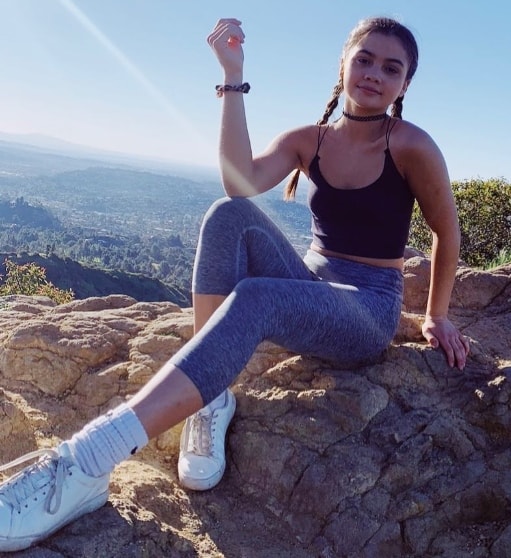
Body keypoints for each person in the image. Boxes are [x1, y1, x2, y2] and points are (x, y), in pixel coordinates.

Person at [0, 16, 470, 552]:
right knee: (228, 212)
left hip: (366, 309)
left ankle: (90, 458)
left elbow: (445, 230)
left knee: (257, 296)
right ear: (342, 62)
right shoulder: (307, 140)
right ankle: (211, 396)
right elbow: (239, 179)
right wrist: (232, 77)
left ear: (405, 84)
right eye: (364, 59)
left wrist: (436, 314)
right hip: (309, 282)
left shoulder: (411, 146)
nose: (374, 74)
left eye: (392, 68)